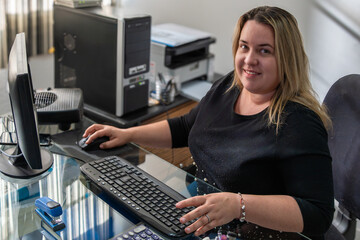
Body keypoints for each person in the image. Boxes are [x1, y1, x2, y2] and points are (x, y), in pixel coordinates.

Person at [83, 6, 334, 240]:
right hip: (206, 223)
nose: (249, 60)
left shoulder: (299, 122)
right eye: (244, 46)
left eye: (264, 50)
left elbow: (317, 214)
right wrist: (127, 134)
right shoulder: (229, 86)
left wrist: (239, 205)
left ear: (287, 58)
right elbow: (186, 126)